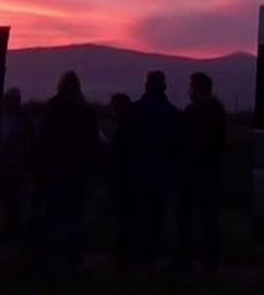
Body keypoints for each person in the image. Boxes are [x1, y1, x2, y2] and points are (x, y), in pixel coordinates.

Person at [35, 71, 99, 275]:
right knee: (75, 216)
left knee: (53, 214)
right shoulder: (85, 111)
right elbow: (92, 144)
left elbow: (43, 141)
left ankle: (51, 259)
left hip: (55, 170)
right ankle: (73, 259)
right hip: (78, 172)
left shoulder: (52, 108)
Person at [176, 72, 227, 273]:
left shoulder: (194, 111)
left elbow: (184, 140)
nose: (189, 91)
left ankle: (184, 262)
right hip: (211, 173)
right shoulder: (218, 110)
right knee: (209, 221)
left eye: (191, 87)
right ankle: (209, 263)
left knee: (186, 220)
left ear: (197, 88)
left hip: (192, 173)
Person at [130, 70, 180, 268]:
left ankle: (137, 258)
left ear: (146, 86)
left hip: (138, 173)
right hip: (163, 174)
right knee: (156, 219)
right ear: (164, 87)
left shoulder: (136, 112)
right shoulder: (173, 115)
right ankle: (151, 256)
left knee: (138, 218)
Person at [0, 87, 34, 241]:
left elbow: (27, 145)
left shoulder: (22, 122)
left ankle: (13, 231)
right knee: (5, 201)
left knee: (13, 202)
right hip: (2, 167)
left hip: (15, 168)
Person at [104, 92, 135, 267]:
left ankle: (121, 257)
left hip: (122, 181)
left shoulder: (122, 131)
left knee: (122, 221)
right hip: (131, 180)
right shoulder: (133, 128)